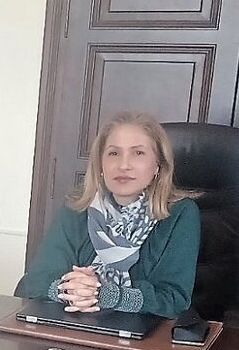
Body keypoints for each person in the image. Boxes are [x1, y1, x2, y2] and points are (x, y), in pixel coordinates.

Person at [14, 111, 200, 318]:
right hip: (72, 323)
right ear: (100, 164)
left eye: (138, 153)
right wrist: (68, 291)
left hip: (143, 332)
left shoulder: (179, 214)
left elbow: (174, 300)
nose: (123, 165)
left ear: (158, 165)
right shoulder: (77, 208)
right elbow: (35, 281)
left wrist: (106, 295)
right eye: (113, 153)